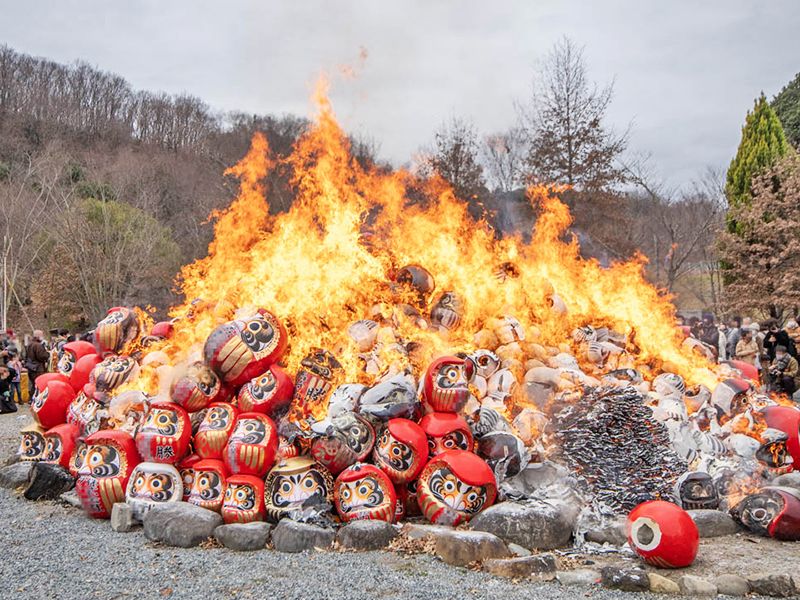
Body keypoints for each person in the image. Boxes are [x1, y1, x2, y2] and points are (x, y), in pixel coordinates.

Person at [24, 330, 50, 399]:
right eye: (42, 335)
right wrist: (48, 354)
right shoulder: (38, 345)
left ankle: (31, 399)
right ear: (38, 336)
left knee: (33, 384)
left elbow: (25, 356)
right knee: (38, 384)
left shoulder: (29, 344)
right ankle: (36, 399)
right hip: (38, 369)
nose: (43, 337)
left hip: (31, 368)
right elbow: (42, 356)